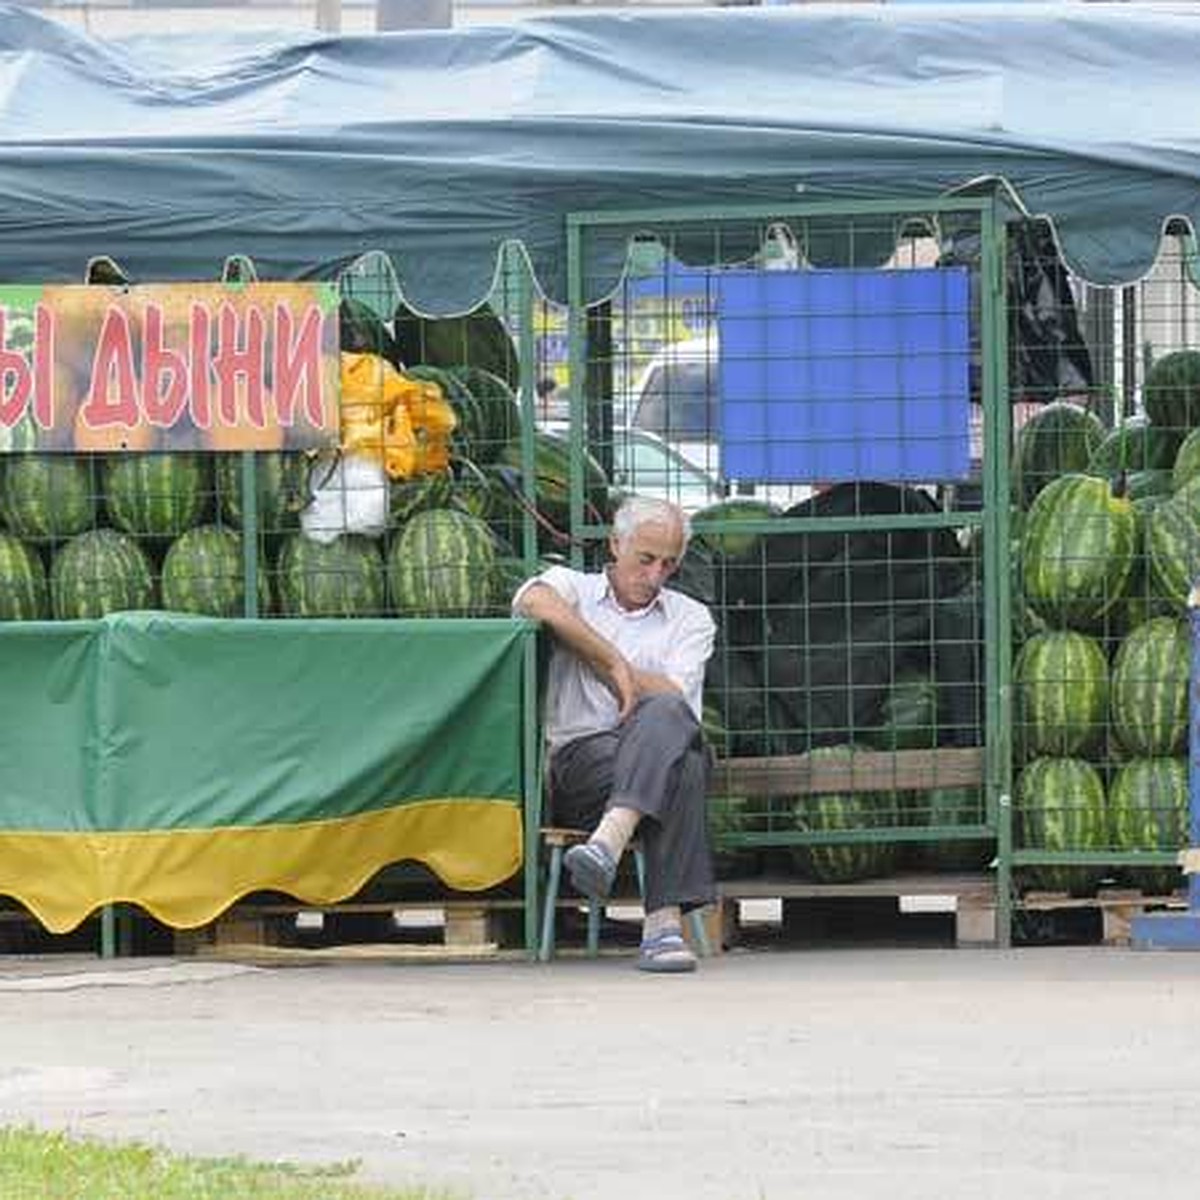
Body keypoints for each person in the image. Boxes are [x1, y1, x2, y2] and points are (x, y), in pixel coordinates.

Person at [512, 494, 717, 973]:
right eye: (645, 560)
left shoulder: (691, 617)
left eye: (669, 564)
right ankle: (662, 928)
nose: (655, 576)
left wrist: (610, 666)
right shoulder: (574, 587)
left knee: (671, 723)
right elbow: (530, 599)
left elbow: (674, 697)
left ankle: (609, 840)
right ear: (615, 544)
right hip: (585, 765)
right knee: (681, 767)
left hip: (653, 756)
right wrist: (611, 661)